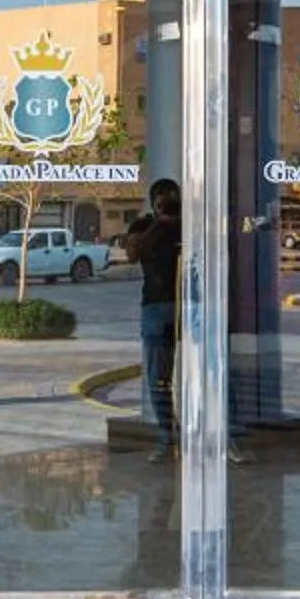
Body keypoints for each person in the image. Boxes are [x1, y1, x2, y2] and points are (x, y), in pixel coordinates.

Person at [118, 179, 182, 455]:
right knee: (158, 378)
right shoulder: (144, 225)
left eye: (171, 199)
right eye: (162, 200)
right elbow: (132, 254)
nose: (167, 205)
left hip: (189, 305)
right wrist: (159, 223)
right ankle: (168, 435)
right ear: (153, 202)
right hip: (156, 306)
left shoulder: (190, 221)